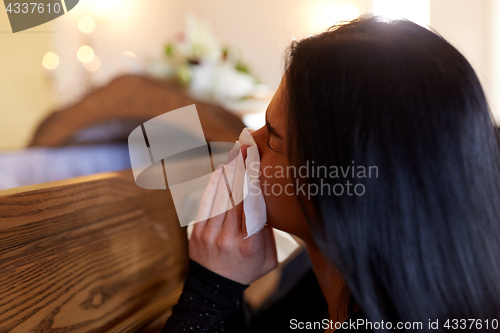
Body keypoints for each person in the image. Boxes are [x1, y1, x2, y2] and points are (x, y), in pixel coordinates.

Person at [162, 16, 500, 332]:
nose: (247, 146)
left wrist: (209, 292)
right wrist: (225, 284)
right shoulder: (328, 289)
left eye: (273, 135)